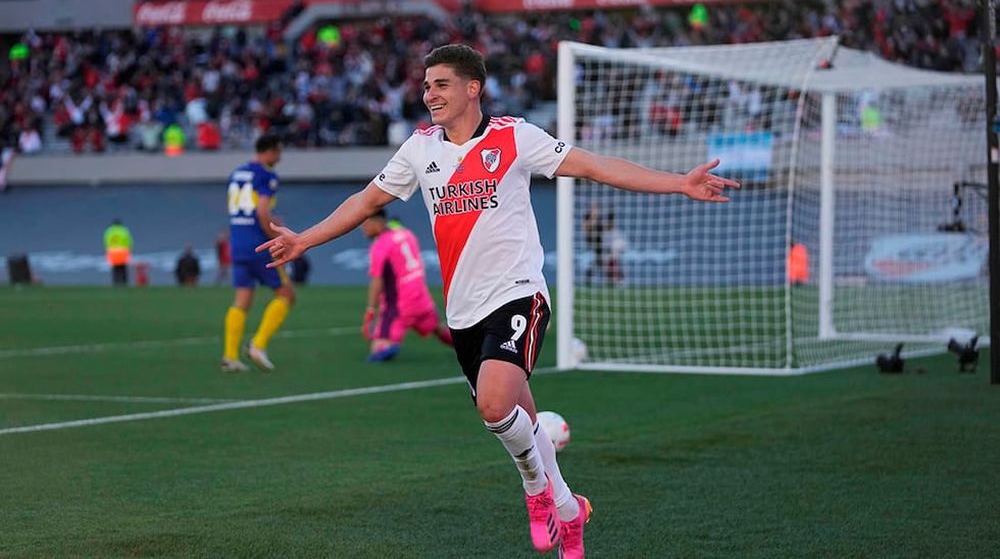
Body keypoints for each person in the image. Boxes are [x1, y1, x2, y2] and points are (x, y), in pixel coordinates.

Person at [256, 44, 740, 557]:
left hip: (519, 295)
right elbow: (366, 201)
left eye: (440, 84)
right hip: (463, 310)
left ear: (472, 89)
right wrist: (306, 238)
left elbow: (595, 166)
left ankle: (536, 494)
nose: (429, 94)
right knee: (522, 421)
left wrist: (677, 183)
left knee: (494, 403)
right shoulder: (420, 149)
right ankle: (571, 511)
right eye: (425, 86)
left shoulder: (515, 138)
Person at [221, 133, 296, 373]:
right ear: (270, 151)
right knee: (286, 295)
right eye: (279, 151)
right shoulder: (266, 174)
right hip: (259, 243)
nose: (281, 157)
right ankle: (258, 344)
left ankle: (230, 356)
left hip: (238, 242)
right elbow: (262, 213)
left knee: (242, 300)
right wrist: (276, 234)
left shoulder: (236, 173)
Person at [360, 209, 452, 362]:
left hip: (398, 305)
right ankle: (470, 344)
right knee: (440, 329)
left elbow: (377, 281)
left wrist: (370, 311)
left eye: (365, 223)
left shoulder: (380, 246)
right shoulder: (406, 234)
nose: (363, 228)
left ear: (378, 221)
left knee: (377, 351)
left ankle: (389, 345)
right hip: (421, 298)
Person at [103, 218, 133, 286]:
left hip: (112, 252)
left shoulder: (109, 231)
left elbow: (106, 241)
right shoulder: (123, 231)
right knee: (123, 269)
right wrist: (129, 249)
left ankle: (115, 282)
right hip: (123, 252)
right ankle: (124, 283)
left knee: (115, 269)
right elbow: (129, 241)